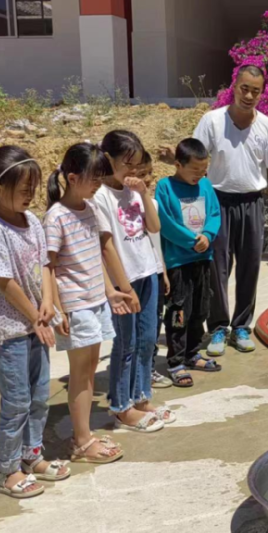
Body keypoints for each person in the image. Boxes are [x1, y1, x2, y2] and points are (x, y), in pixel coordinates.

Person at [160, 64, 268, 357]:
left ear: (261, 94)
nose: (249, 95)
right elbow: (195, 158)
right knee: (217, 268)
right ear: (235, 86)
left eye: (255, 91)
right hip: (216, 202)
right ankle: (218, 327)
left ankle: (242, 325)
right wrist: (173, 159)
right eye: (244, 88)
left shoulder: (267, 126)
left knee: (250, 266)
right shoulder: (212, 121)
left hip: (252, 203)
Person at [0, 145, 71, 499]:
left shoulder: (32, 222)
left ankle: (32, 456)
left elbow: (45, 264)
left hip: (34, 325)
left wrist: (48, 304)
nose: (30, 195)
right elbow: (3, 281)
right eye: (23, 188)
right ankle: (6, 471)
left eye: (34, 188)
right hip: (9, 332)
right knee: (16, 403)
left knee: (40, 397)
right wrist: (34, 316)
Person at [44, 143, 129, 465]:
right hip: (76, 305)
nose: (98, 184)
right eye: (93, 178)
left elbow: (95, 256)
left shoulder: (90, 208)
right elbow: (48, 266)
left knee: (90, 370)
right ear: (72, 177)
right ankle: (80, 442)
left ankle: (86, 434)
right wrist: (57, 308)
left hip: (94, 301)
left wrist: (110, 291)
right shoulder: (56, 217)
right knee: (81, 373)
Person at [94, 130, 171, 432]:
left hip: (146, 272)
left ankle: (141, 398)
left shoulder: (134, 191)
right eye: (127, 165)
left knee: (147, 340)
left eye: (137, 166)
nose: (133, 172)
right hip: (123, 281)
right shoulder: (100, 196)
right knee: (125, 344)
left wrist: (144, 193)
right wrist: (122, 287)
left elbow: (154, 226)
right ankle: (121, 406)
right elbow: (106, 245)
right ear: (107, 159)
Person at [155, 138, 223, 387]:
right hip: (178, 261)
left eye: (203, 169)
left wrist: (207, 235)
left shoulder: (206, 185)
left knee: (201, 309)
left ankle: (193, 353)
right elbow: (164, 221)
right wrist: (190, 240)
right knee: (179, 312)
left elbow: (214, 213)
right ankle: (176, 362)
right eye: (194, 170)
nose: (199, 174)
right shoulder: (164, 187)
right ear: (178, 164)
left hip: (203, 258)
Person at [137, 151, 173, 390]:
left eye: (149, 172)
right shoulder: (124, 205)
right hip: (138, 274)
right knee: (139, 328)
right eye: (141, 174)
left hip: (156, 271)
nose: (147, 178)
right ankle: (139, 372)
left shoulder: (154, 204)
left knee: (155, 322)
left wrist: (164, 272)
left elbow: (156, 239)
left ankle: (149, 368)